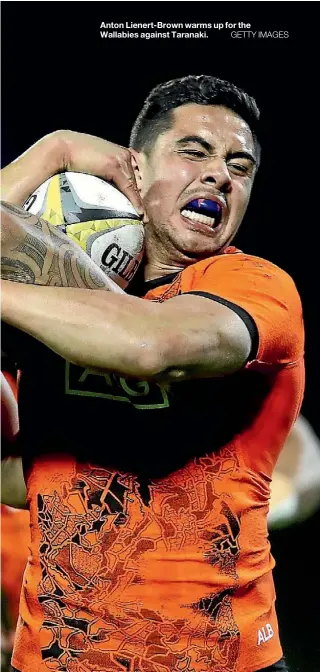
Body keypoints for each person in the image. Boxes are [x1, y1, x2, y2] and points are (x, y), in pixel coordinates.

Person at [1, 75, 304, 672]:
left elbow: (150, 345)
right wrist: (53, 150)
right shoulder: (51, 306)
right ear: (133, 169)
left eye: (239, 166)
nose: (220, 174)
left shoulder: (256, 287)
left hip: (220, 662)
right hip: (51, 659)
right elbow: (22, 483)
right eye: (193, 151)